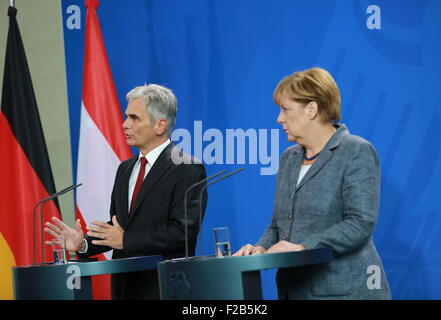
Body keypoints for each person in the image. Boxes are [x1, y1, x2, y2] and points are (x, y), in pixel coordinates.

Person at [234, 67, 391, 300]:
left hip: (344, 292)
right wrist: (260, 249)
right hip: (294, 290)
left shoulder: (356, 151)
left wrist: (305, 247)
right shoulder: (289, 158)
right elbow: (279, 225)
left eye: (285, 109)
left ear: (312, 109)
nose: (279, 119)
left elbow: (360, 223)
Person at [45, 84, 207, 299]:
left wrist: (127, 240)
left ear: (160, 125)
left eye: (134, 118)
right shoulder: (125, 169)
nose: (124, 124)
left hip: (162, 287)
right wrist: (83, 243)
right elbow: (118, 226)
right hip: (124, 288)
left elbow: (182, 233)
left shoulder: (187, 168)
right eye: (126, 116)